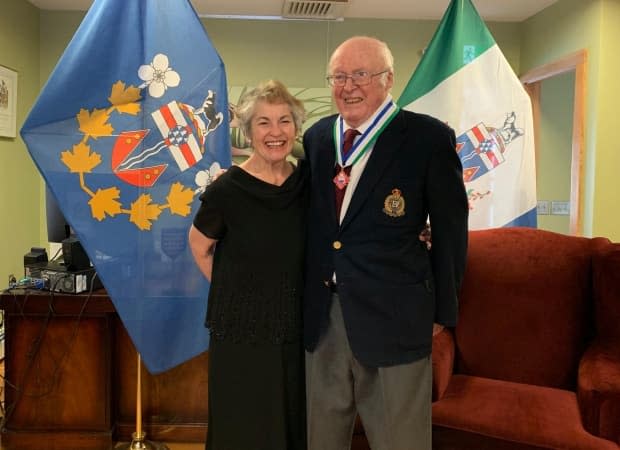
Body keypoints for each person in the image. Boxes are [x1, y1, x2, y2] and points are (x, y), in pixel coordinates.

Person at [302, 36, 469, 450]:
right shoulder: (317, 138)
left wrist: (444, 311)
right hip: (324, 314)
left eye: (361, 74)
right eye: (338, 76)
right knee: (322, 434)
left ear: (388, 79)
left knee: (401, 438)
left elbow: (451, 228)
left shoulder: (428, 138)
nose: (349, 86)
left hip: (397, 312)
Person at [188, 79, 308, 450]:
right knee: (242, 427)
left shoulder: (307, 182)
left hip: (297, 328)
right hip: (241, 332)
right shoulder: (228, 189)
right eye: (264, 122)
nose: (275, 133)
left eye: (284, 121)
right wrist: (235, 292)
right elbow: (199, 246)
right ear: (247, 129)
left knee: (293, 423)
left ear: (296, 128)